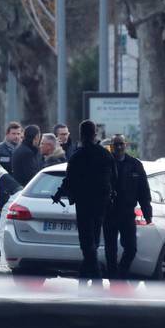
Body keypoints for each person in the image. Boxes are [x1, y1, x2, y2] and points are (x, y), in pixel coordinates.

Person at [53, 120, 116, 285]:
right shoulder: (105, 154)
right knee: (92, 240)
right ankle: (85, 277)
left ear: (81, 135)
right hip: (101, 204)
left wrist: (59, 194)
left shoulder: (77, 156)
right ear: (95, 134)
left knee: (87, 242)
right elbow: (113, 178)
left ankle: (95, 278)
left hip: (84, 204)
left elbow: (69, 180)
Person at [104, 135, 152, 280]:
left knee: (131, 248)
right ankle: (113, 277)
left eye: (121, 144)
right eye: (115, 144)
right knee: (110, 249)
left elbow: (144, 190)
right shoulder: (106, 164)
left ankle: (121, 274)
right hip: (109, 213)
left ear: (126, 145)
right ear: (111, 146)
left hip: (127, 213)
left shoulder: (135, 164)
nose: (118, 147)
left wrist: (147, 213)